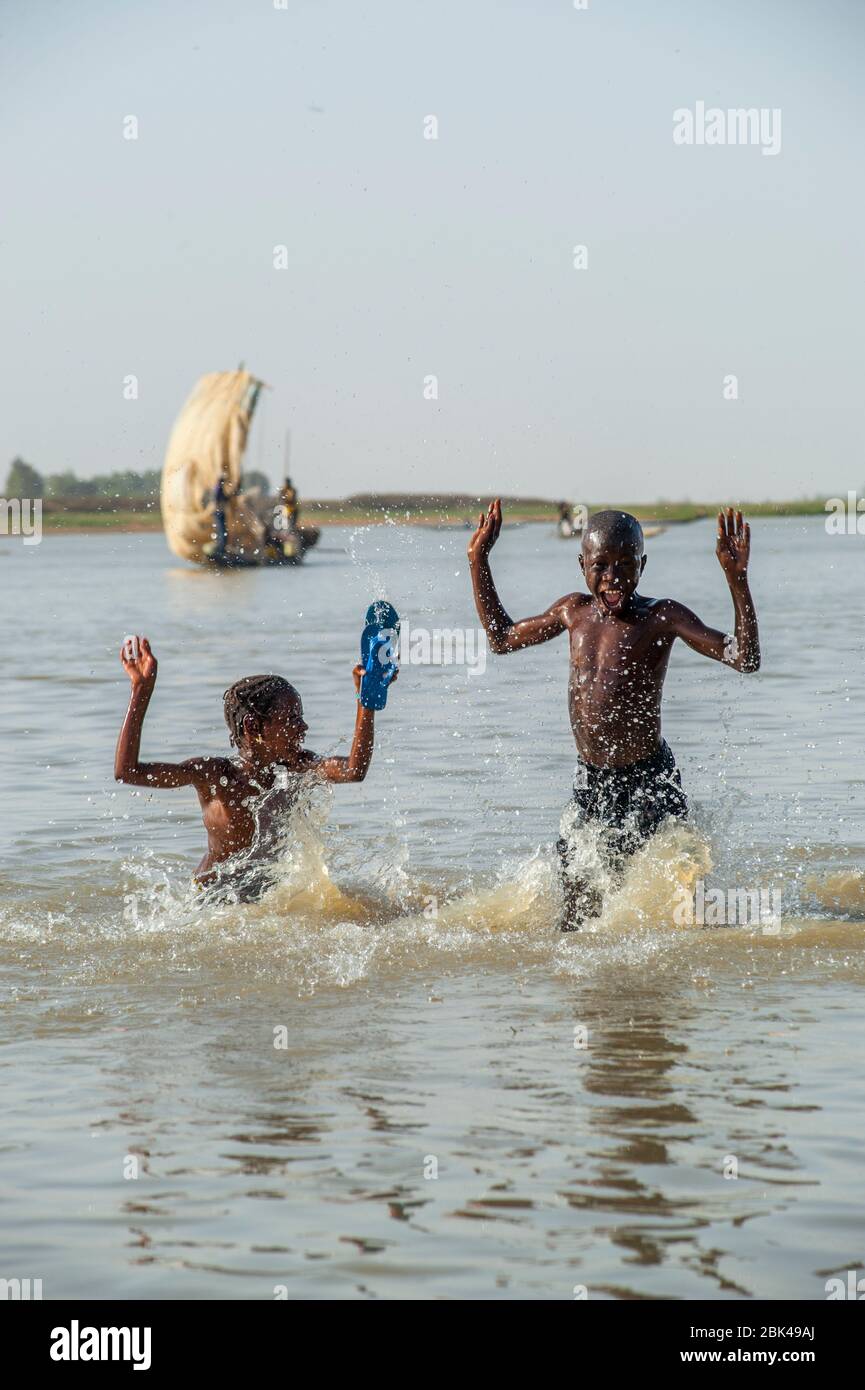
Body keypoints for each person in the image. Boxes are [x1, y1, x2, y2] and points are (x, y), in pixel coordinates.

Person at [468, 501, 760, 928]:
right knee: (577, 913)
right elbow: (501, 638)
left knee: (676, 903)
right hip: (592, 780)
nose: (613, 577)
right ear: (581, 563)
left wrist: (738, 582)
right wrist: (479, 560)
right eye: (601, 565)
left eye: (626, 564)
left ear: (643, 564)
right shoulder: (573, 612)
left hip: (649, 779)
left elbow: (745, 658)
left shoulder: (662, 616)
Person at [114, 636, 394, 899]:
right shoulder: (215, 775)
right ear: (253, 727)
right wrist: (141, 689)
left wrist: (365, 702)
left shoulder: (295, 767)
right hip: (213, 900)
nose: (303, 727)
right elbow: (128, 772)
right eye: (292, 718)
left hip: (266, 897)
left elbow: (354, 771)